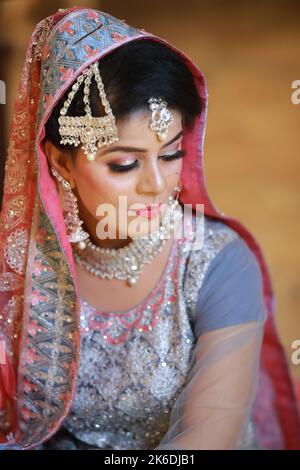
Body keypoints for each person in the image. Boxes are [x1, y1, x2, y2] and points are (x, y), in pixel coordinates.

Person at [0, 6, 299, 451]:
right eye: (124, 163)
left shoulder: (216, 263)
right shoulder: (18, 266)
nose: (157, 186)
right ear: (60, 160)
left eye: (171, 154)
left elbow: (212, 435)